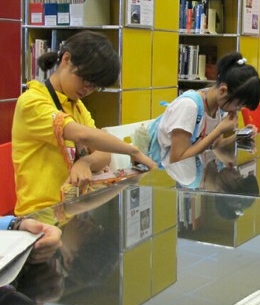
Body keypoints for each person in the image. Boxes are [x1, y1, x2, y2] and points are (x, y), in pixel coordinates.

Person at [12, 31, 157, 216]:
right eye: (86, 80)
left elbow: (103, 152)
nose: (88, 90)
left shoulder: (77, 105)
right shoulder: (32, 101)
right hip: (41, 214)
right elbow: (83, 135)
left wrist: (86, 162)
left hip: (75, 209)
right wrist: (132, 151)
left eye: (95, 86)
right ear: (66, 60)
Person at [150, 52, 260, 168]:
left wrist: (237, 137)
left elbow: (215, 146)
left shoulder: (219, 108)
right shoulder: (189, 107)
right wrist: (218, 130)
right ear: (223, 91)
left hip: (187, 172)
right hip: (159, 172)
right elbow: (177, 159)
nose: (238, 110)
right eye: (238, 105)